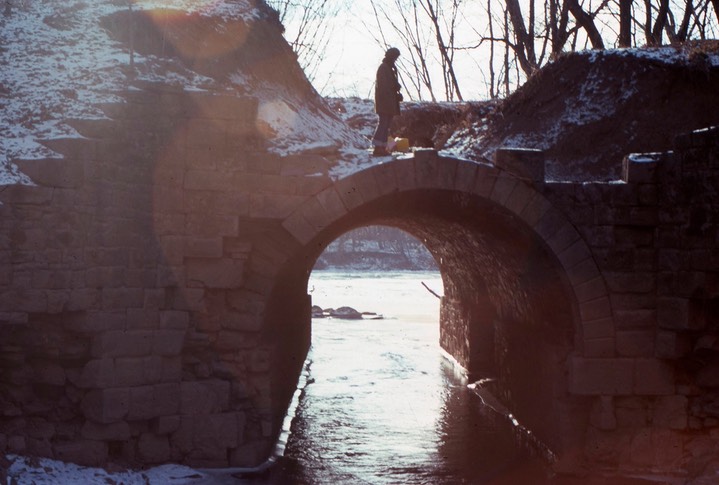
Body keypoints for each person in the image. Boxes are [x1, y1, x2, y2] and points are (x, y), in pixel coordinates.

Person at [372, 47, 402, 156]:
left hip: (389, 102)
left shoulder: (389, 68)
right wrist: (394, 87)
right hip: (384, 102)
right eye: (395, 57)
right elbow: (384, 86)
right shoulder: (384, 68)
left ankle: (382, 147)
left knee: (386, 124)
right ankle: (378, 147)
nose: (395, 59)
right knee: (383, 124)